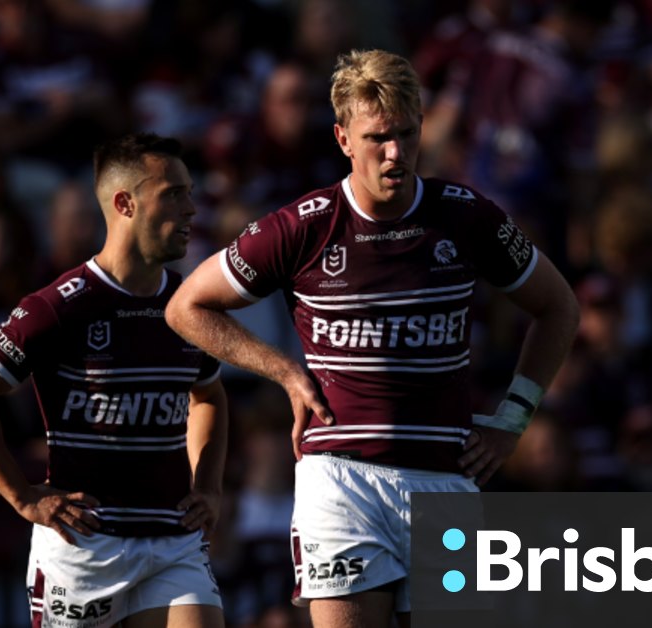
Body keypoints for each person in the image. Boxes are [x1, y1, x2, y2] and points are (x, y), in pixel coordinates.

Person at [164, 49, 579, 628]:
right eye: (378, 136)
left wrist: (513, 419)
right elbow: (187, 307)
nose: (395, 153)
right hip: (341, 482)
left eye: (407, 134)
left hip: (445, 479)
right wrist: (285, 372)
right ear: (342, 138)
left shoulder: (465, 217)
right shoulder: (305, 225)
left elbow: (558, 306)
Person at [0, 133, 228, 627]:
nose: (191, 210)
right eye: (174, 194)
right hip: (83, 547)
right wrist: (23, 496)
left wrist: (210, 486)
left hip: (172, 539)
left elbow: (209, 395)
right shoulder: (58, 306)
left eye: (190, 192)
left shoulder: (188, 306)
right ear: (125, 204)